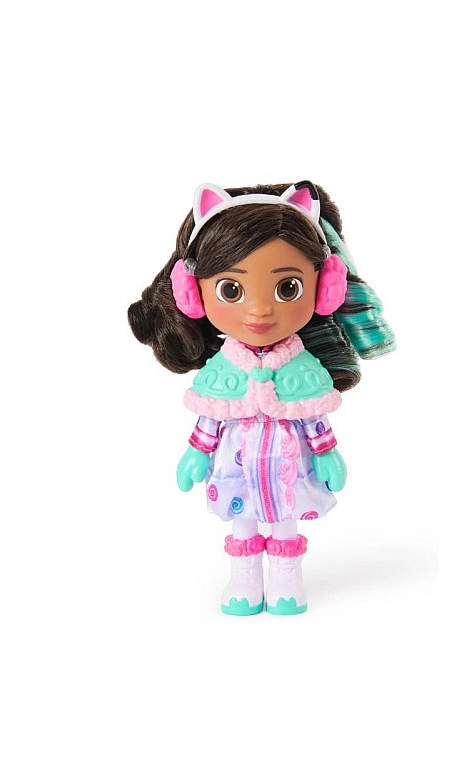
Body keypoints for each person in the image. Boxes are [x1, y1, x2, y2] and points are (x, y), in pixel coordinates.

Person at [128, 181, 394, 615]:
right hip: (237, 464)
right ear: (192, 293)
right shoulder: (222, 371)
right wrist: (196, 452)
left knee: (287, 520)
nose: (259, 310)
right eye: (231, 290)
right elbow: (211, 418)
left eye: (287, 288)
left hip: (289, 463)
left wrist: (328, 453)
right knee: (243, 521)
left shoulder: (304, 371)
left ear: (325, 286)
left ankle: (287, 578)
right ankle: (244, 577)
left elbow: (313, 419)